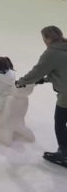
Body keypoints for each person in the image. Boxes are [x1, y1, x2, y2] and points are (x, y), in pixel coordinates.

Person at [15, 26, 67, 164]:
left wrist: (20, 82)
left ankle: (64, 155)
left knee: (60, 122)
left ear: (48, 38)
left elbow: (37, 71)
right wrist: (44, 80)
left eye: (44, 38)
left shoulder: (52, 53)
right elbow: (62, 71)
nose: (43, 41)